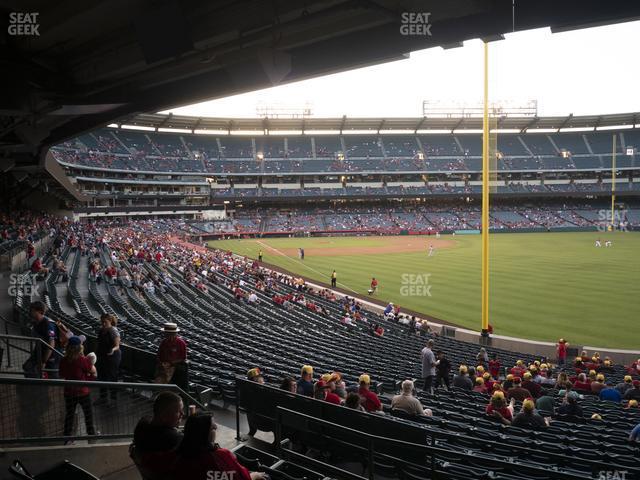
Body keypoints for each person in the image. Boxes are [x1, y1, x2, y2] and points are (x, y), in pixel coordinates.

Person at [173, 413, 265, 480]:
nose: (216, 427)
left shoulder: (178, 457)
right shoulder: (220, 456)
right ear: (204, 434)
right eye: (213, 427)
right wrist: (255, 476)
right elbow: (243, 478)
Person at [131, 392, 184, 479]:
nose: (183, 414)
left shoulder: (142, 425)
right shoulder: (175, 439)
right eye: (179, 411)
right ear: (163, 416)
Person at [59, 336, 96, 444]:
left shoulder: (63, 360)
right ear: (79, 347)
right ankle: (91, 436)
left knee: (69, 416)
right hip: (83, 392)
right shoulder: (83, 360)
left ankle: (67, 438)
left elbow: (62, 374)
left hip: (69, 392)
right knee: (88, 415)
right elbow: (93, 371)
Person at [27, 301, 61, 378]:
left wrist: (44, 361)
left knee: (53, 375)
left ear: (39, 311)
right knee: (28, 367)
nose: (30, 312)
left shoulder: (48, 324)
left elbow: (51, 344)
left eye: (32, 310)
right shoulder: (35, 322)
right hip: (41, 350)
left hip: (52, 354)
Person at [96, 313, 121, 403]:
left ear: (110, 321)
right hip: (102, 355)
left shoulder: (113, 330)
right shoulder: (101, 330)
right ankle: (103, 397)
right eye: (102, 322)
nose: (103, 324)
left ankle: (113, 399)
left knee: (112, 376)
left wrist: (112, 350)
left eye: (105, 322)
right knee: (101, 376)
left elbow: (117, 346)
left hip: (113, 356)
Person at [155, 323, 188, 391]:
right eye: (166, 333)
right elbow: (159, 355)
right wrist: (161, 363)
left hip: (174, 367)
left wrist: (170, 363)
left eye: (169, 333)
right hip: (162, 366)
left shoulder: (181, 343)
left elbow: (183, 358)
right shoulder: (163, 342)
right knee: (159, 380)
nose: (167, 335)